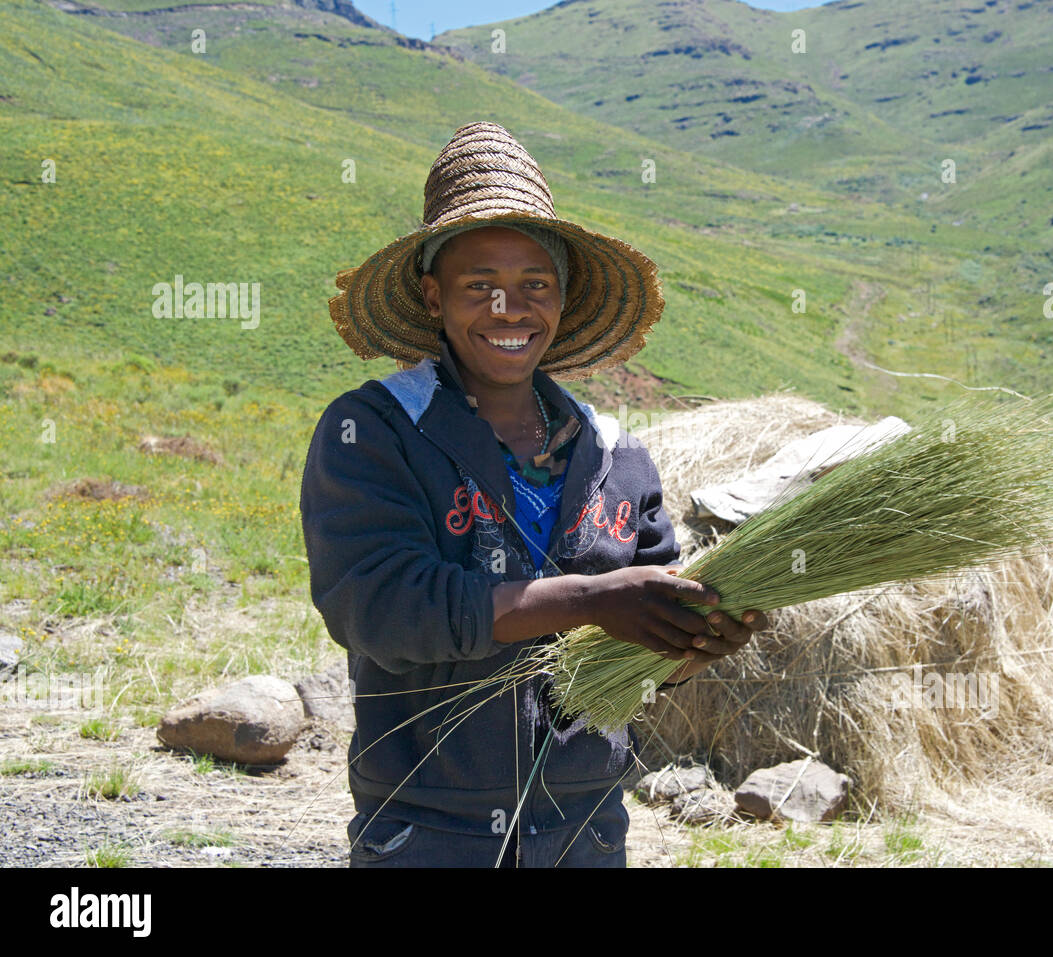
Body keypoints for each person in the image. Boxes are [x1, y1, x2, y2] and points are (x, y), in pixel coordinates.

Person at [299, 121, 768, 867]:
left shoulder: (617, 456)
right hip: (427, 831)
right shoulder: (376, 432)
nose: (508, 309)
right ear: (432, 294)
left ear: (563, 294)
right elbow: (380, 610)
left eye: (533, 285)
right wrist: (588, 599)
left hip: (583, 831)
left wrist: (701, 637)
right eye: (478, 285)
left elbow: (650, 659)